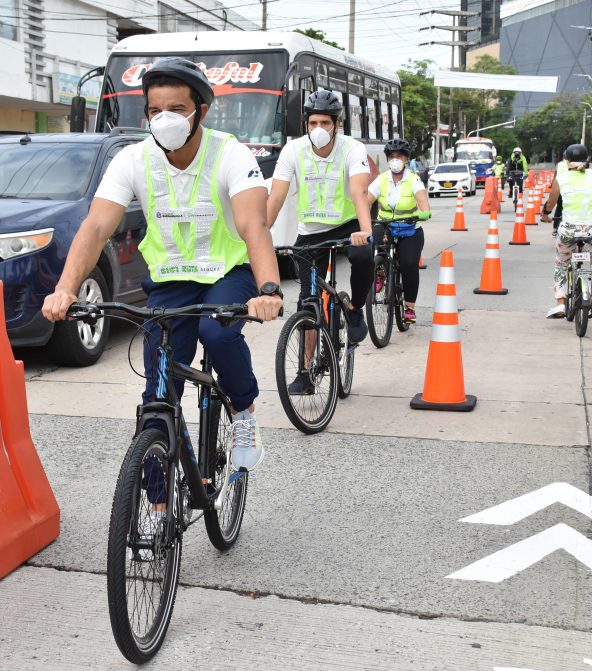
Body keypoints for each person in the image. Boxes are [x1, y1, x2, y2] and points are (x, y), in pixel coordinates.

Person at [42, 57, 282, 473]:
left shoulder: (229, 152)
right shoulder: (132, 160)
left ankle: (243, 414)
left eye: (177, 109)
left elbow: (253, 224)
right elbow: (96, 226)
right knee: (158, 389)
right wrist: (66, 288)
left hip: (228, 272)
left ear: (201, 111)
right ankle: (152, 506)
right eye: (155, 111)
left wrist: (268, 290)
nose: (164, 119)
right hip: (171, 278)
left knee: (218, 333)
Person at [267, 90, 374, 392]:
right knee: (308, 301)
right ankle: (305, 373)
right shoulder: (293, 150)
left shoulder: (352, 149)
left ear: (336, 125)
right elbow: (276, 197)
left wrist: (365, 229)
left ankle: (354, 310)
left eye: (325, 122)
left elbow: (359, 191)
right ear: (305, 124)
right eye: (313, 122)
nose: (318, 129)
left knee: (363, 256)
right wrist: (260, 234)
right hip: (311, 231)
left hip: (348, 225)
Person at [368, 138, 431, 324]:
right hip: (385, 224)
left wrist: (424, 211)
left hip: (410, 227)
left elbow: (422, 199)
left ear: (406, 159)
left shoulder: (414, 179)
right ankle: (380, 271)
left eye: (399, 156)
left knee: (409, 264)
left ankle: (409, 307)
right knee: (373, 244)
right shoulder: (381, 179)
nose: (395, 160)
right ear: (388, 159)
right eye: (392, 156)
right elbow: (367, 199)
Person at [541, 143, 592, 319]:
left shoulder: (561, 179)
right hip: (591, 226)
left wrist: (545, 214)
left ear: (567, 160)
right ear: (586, 159)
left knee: (561, 264)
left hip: (569, 229)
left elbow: (551, 203)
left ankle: (560, 303)